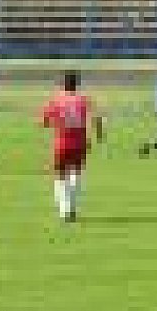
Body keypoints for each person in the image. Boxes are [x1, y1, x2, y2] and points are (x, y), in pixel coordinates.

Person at [42, 71, 103, 223]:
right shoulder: (83, 100)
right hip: (80, 142)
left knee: (60, 175)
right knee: (76, 173)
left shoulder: (56, 100)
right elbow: (97, 118)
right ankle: (72, 207)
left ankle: (64, 211)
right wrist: (98, 135)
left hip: (62, 141)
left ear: (63, 84)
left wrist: (55, 122)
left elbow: (44, 121)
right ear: (77, 84)